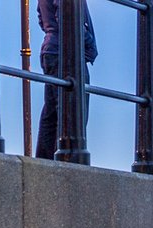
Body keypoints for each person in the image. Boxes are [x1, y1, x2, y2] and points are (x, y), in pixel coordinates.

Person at [35, 0, 98, 160]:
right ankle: (66, 160)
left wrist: (51, 30)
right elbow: (66, 15)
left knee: (52, 112)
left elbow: (42, 17)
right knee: (73, 111)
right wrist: (88, 40)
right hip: (67, 51)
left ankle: (46, 162)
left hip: (52, 48)